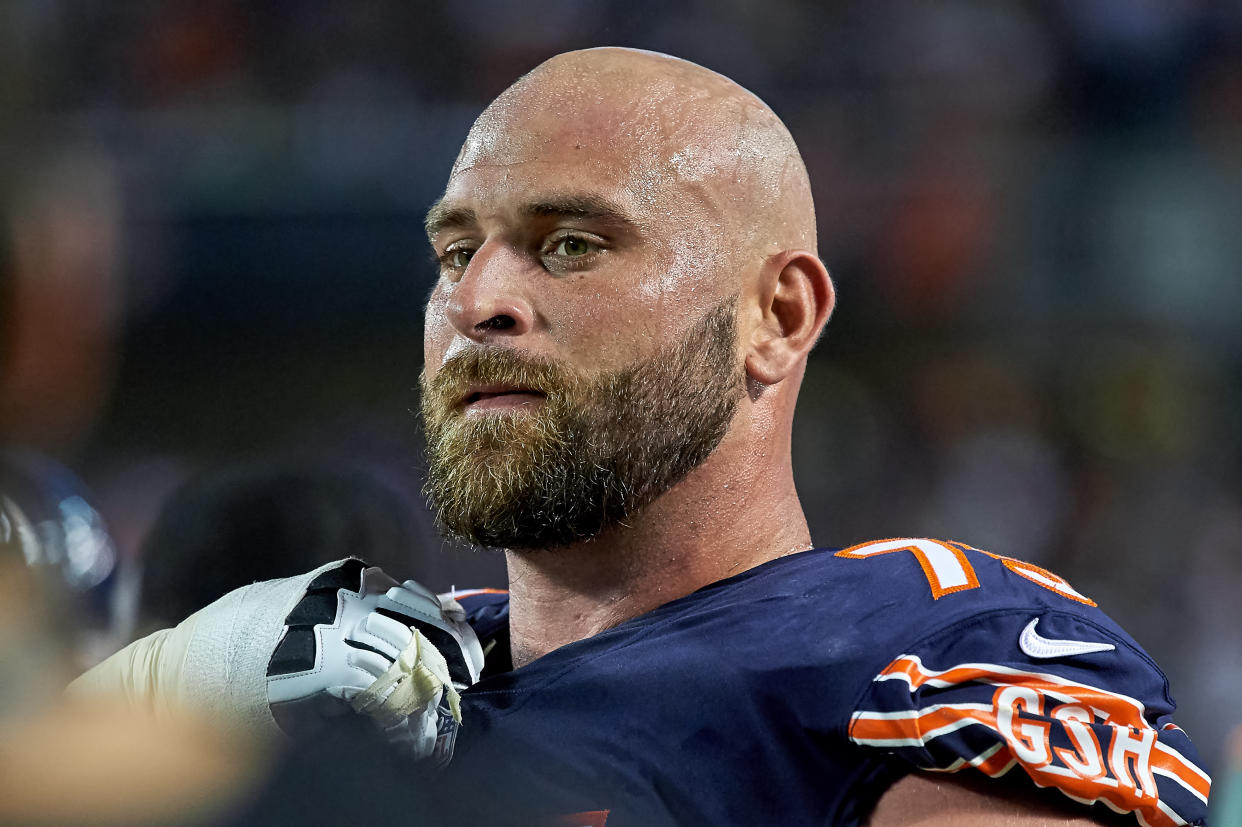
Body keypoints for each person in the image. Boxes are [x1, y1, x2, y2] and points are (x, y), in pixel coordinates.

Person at [73, 48, 1210, 826]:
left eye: (571, 243)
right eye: (454, 251)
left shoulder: (932, 646)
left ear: (778, 316)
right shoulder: (347, 671)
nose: (481, 299)